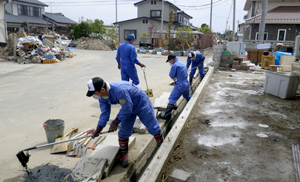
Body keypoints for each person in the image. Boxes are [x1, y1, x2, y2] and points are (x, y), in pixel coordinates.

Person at [86, 77, 163, 168]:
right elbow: (104, 113)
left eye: (94, 93)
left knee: (152, 126)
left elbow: (127, 108)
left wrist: (115, 122)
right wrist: (98, 129)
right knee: (123, 131)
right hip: (128, 106)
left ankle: (162, 143)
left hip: (141, 103)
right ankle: (124, 154)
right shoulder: (102, 97)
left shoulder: (120, 90)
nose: (94, 96)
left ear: (102, 90)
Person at [160, 55, 191, 120]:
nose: (169, 63)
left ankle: (167, 115)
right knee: (187, 96)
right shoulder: (182, 63)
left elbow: (171, 76)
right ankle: (191, 106)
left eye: (169, 61)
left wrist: (171, 70)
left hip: (180, 85)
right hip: (186, 83)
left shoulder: (175, 65)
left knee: (172, 98)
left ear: (171, 60)